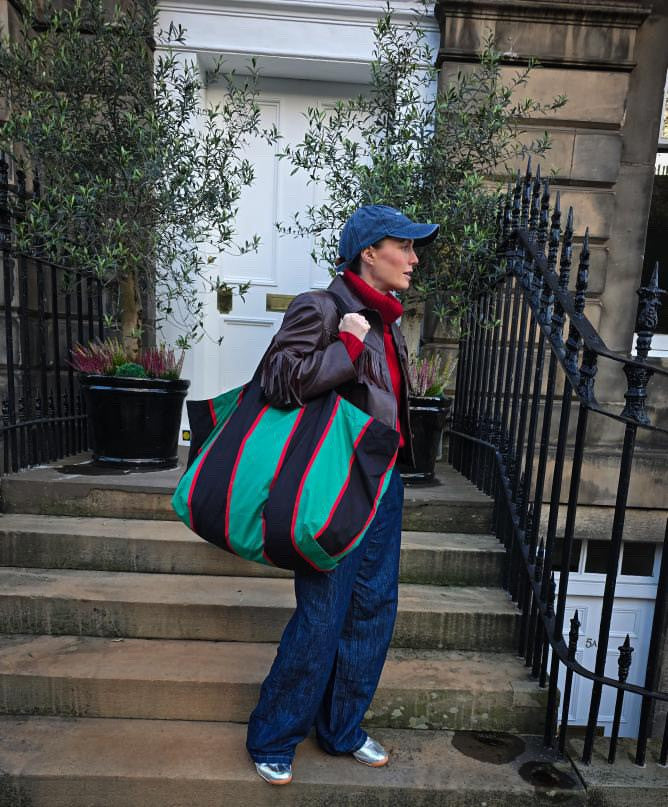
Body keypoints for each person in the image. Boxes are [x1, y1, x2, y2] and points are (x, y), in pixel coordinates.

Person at [246, 204, 439, 785]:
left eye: (413, 247)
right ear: (367, 253)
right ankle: (274, 735)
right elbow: (278, 381)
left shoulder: (389, 319)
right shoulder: (326, 308)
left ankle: (341, 728)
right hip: (334, 486)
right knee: (324, 613)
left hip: (382, 482)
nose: (413, 258)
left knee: (374, 611)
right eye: (402, 246)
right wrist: (346, 349)